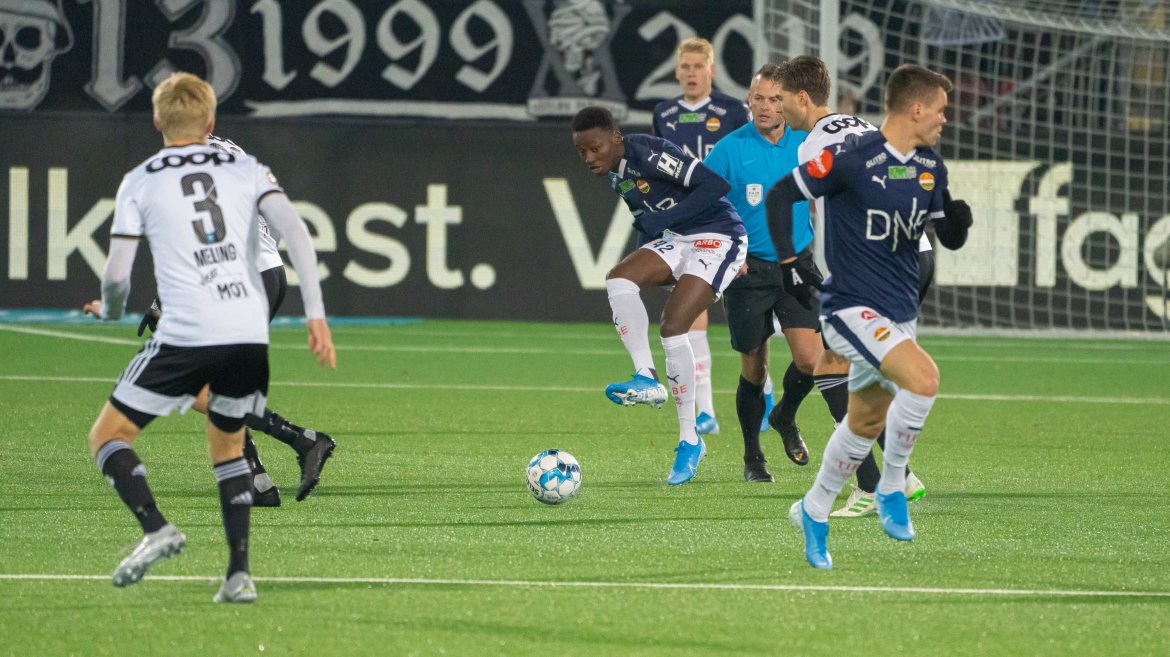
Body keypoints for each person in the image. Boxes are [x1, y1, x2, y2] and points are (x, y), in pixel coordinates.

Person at [83, 72, 335, 600]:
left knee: (108, 435)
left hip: (198, 309)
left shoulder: (142, 179)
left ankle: (156, 528)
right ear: (212, 119)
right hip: (247, 302)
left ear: (157, 120)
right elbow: (293, 231)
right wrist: (316, 315)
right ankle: (240, 571)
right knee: (225, 434)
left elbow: (117, 275)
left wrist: (112, 309)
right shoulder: (244, 164)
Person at [765, 64, 973, 569]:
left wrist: (960, 223)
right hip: (849, 304)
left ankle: (814, 509)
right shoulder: (850, 157)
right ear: (916, 108)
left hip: (898, 305)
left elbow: (946, 235)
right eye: (941, 110)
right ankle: (892, 486)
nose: (945, 119)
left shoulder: (929, 166)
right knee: (923, 379)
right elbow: (781, 195)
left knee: (865, 420)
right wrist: (790, 263)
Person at [120, 133, 337, 507]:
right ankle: (258, 478)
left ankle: (301, 443)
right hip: (264, 275)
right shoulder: (232, 151)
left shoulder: (176, 166)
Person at [775, 55, 938, 516]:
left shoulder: (813, 146)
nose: (780, 108)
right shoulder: (865, 127)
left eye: (782, 99)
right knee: (860, 370)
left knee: (830, 367)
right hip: (917, 253)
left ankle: (873, 486)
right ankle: (897, 477)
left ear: (802, 98)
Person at [571, 106, 747, 486]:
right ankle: (646, 377)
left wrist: (663, 222)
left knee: (672, 327)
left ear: (616, 137)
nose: (588, 157)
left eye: (595, 148)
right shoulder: (616, 175)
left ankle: (690, 439)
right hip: (676, 240)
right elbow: (648, 224)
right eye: (582, 151)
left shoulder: (649, 153)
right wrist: (645, 263)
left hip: (718, 236)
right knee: (619, 279)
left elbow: (715, 186)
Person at [703, 62, 821, 483]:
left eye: (774, 98)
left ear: (787, 101)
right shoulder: (729, 150)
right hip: (747, 270)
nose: (766, 106)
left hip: (796, 265)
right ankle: (753, 456)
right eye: (758, 98)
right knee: (754, 365)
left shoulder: (807, 142)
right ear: (748, 100)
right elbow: (704, 205)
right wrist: (728, 251)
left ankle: (785, 415)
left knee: (811, 360)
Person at [650, 37, 753, 436]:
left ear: (711, 70)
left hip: (727, 221)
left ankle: (762, 392)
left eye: (698, 66)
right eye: (685, 67)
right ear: (676, 72)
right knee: (691, 312)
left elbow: (743, 170)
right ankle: (705, 411)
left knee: (751, 320)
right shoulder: (664, 114)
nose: (691, 73)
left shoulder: (733, 111)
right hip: (686, 224)